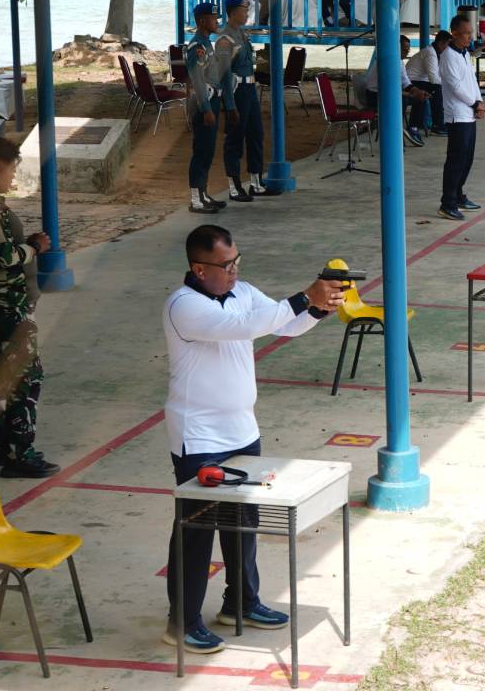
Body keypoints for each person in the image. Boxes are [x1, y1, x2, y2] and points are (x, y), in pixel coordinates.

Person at [161, 224, 345, 654]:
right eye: (227, 265)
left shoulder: (242, 291)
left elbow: (283, 326)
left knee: (244, 523)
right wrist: (304, 296)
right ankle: (181, 621)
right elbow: (244, 326)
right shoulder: (183, 306)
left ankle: (241, 602)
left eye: (237, 261)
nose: (235, 271)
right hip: (200, 436)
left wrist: (318, 309)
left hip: (243, 430)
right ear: (198, 268)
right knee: (197, 532)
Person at [0, 137, 61, 478]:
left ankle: (1, 448)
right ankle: (20, 452)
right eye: (11, 170)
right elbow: (4, 256)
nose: (12, 177)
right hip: (7, 306)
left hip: (0, 304)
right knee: (24, 376)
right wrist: (33, 247)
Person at [216, 0, 277, 200]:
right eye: (244, 10)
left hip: (250, 90)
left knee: (256, 135)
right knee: (235, 138)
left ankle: (256, 182)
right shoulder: (226, 39)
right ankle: (234, 187)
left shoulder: (242, 34)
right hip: (237, 91)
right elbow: (224, 76)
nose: (247, 13)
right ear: (233, 13)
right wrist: (230, 105)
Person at [185, 1, 233, 214]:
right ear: (202, 21)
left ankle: (203, 194)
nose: (217, 22)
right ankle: (196, 199)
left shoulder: (207, 43)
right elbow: (197, 80)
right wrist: (206, 109)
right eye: (213, 18)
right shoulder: (197, 47)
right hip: (202, 102)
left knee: (208, 150)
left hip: (212, 99)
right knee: (201, 150)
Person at [437, 15, 485, 221]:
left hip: (469, 114)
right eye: (466, 33)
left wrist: (479, 101)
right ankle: (447, 202)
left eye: (471, 33)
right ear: (454, 33)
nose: (469, 37)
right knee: (456, 160)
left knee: (467, 159)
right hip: (458, 114)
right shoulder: (448, 56)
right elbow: (456, 86)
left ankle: (458, 195)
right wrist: (474, 103)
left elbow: (472, 82)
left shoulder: (464, 54)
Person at [364, 33, 430, 147]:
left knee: (421, 99)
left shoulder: (399, 61)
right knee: (403, 100)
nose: (407, 53)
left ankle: (413, 128)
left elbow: (406, 82)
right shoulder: (386, 62)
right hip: (375, 96)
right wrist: (411, 95)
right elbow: (389, 90)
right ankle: (397, 131)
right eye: (405, 50)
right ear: (396, 47)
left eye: (408, 50)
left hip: (388, 94)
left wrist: (417, 91)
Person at [405, 30, 451, 136]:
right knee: (437, 90)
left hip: (420, 80)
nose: (449, 48)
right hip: (411, 82)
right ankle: (437, 125)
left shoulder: (437, 52)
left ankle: (439, 123)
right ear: (441, 43)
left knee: (440, 89)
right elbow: (434, 79)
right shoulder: (431, 53)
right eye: (447, 44)